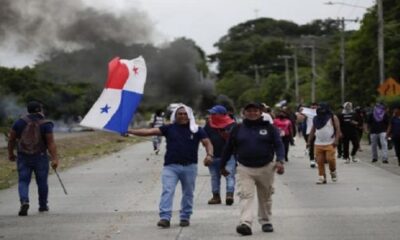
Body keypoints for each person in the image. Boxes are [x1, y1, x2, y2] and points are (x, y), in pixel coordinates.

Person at [127, 104, 213, 228]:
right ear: (175, 115)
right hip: (171, 167)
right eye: (180, 114)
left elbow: (208, 143)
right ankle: (165, 217)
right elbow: (149, 132)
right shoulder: (169, 128)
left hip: (190, 167)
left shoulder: (197, 129)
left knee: (188, 193)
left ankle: (185, 216)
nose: (183, 116)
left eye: (185, 114)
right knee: (168, 190)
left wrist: (209, 155)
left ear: (189, 116)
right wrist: (130, 131)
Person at [220, 102, 285, 236]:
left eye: (255, 111)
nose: (252, 113)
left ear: (261, 112)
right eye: (249, 111)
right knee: (245, 195)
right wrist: (222, 165)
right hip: (245, 168)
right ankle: (245, 223)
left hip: (266, 167)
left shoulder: (270, 128)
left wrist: (280, 160)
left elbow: (279, 144)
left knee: (265, 196)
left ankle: (266, 221)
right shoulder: (237, 129)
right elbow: (228, 148)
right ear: (244, 113)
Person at [7, 101, 59, 216]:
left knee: (23, 181)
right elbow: (51, 143)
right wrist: (55, 158)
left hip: (23, 156)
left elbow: (11, 140)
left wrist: (10, 153)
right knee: (42, 182)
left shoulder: (19, 122)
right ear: (40, 110)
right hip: (40, 156)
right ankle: (43, 206)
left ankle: (24, 201)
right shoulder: (46, 124)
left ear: (28, 110)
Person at [204, 105, 236, 205]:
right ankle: (216, 197)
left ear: (222, 114)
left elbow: (238, 141)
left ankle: (229, 195)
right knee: (214, 177)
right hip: (213, 156)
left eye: (214, 114)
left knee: (229, 175)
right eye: (211, 113)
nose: (212, 115)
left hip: (229, 156)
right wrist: (208, 154)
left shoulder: (232, 125)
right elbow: (205, 139)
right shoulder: (209, 125)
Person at [308, 103, 341, 184]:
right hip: (318, 143)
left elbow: (337, 129)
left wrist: (336, 140)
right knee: (319, 161)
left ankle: (333, 172)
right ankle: (322, 177)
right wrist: (309, 141)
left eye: (322, 108)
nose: (320, 110)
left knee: (330, 159)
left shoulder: (333, 117)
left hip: (330, 143)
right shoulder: (315, 118)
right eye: (319, 109)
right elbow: (313, 130)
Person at [301, 103, 318, 168]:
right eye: (312, 106)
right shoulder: (308, 113)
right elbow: (301, 113)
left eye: (315, 106)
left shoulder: (320, 113)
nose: (313, 107)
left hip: (318, 132)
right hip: (309, 132)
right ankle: (312, 160)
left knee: (318, 146)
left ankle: (317, 159)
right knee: (311, 146)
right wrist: (302, 110)